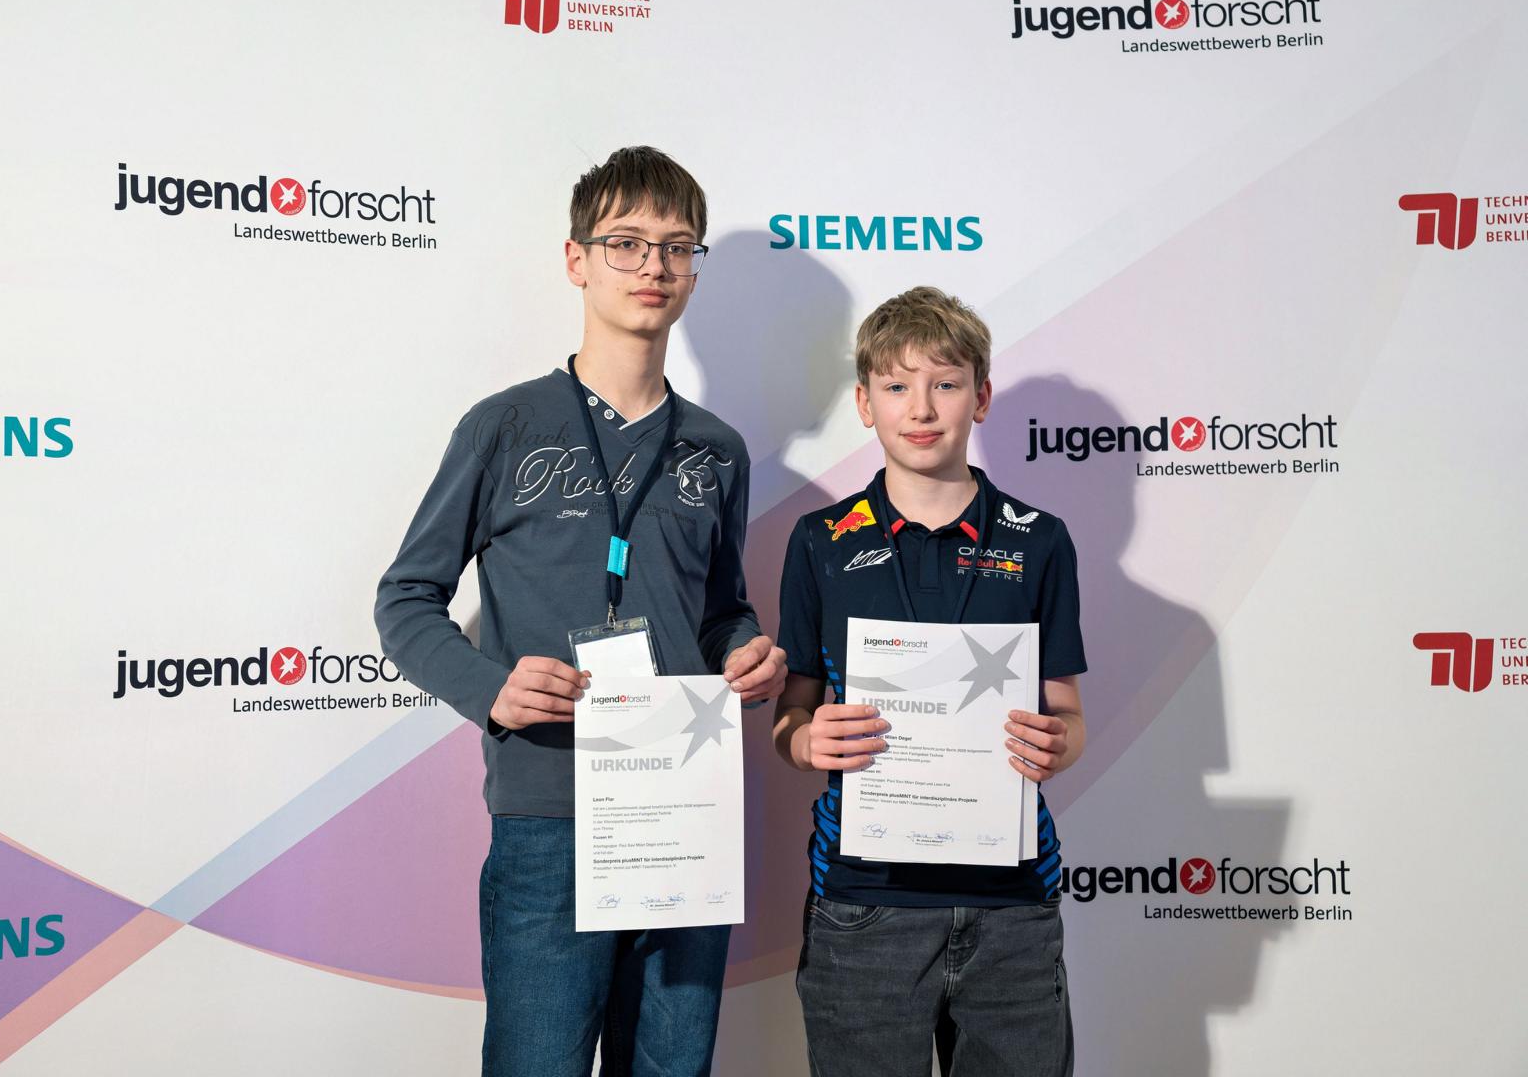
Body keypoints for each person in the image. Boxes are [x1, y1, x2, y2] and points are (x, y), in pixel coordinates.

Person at [375, 145, 787, 1076]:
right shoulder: (504, 426)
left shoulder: (718, 451)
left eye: (676, 247)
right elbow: (405, 597)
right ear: (577, 260)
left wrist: (746, 649)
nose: (653, 266)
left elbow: (721, 609)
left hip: (683, 808)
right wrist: (489, 689)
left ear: (693, 270)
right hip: (549, 813)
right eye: (626, 243)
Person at [771, 286, 1088, 1077]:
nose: (921, 407)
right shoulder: (820, 541)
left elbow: (1069, 714)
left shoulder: (1041, 541)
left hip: (1013, 903)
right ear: (864, 403)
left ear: (980, 397)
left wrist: (1058, 743)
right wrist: (806, 741)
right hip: (864, 900)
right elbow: (792, 712)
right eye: (896, 385)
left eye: (945, 384)